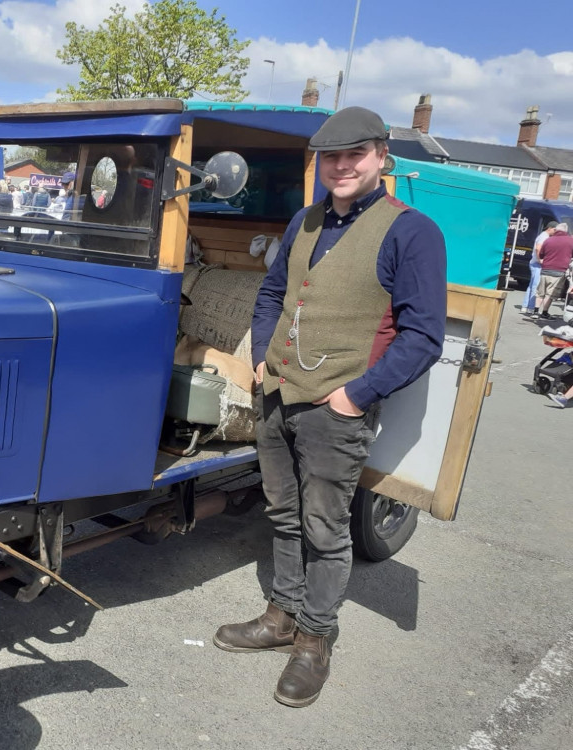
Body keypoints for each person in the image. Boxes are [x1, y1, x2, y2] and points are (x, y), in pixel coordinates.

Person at [214, 107, 447, 708]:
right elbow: (273, 292)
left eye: (355, 155)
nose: (341, 167)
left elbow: (424, 338)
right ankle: (281, 615)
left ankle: (315, 639)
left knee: (325, 526)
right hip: (278, 392)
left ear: (381, 157)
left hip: (337, 407)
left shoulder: (411, 231)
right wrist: (264, 355)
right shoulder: (305, 219)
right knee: (282, 513)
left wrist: (356, 396)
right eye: (331, 157)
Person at [534, 223, 573, 320]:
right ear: (566, 231)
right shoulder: (570, 241)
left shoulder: (548, 240)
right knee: (550, 294)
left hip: (545, 269)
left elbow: (541, 254)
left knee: (540, 291)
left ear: (556, 230)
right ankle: (544, 312)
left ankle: (535, 311)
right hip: (560, 270)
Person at [523, 221, 557, 314]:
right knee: (536, 286)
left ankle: (526, 305)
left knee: (531, 285)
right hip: (537, 264)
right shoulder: (544, 237)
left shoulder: (543, 236)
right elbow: (538, 248)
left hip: (534, 263)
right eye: (554, 229)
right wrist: (540, 259)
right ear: (549, 228)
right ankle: (531, 307)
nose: (555, 231)